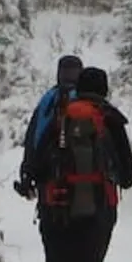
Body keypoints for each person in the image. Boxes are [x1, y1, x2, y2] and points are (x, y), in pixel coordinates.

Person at [31, 67, 132, 262]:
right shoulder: (111, 119)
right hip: (98, 215)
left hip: (57, 209)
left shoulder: (59, 116)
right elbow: (128, 177)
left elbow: (36, 165)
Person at [17, 55, 84, 199]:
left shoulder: (49, 99)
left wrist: (28, 174)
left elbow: (33, 139)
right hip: (88, 188)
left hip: (49, 183)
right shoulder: (89, 101)